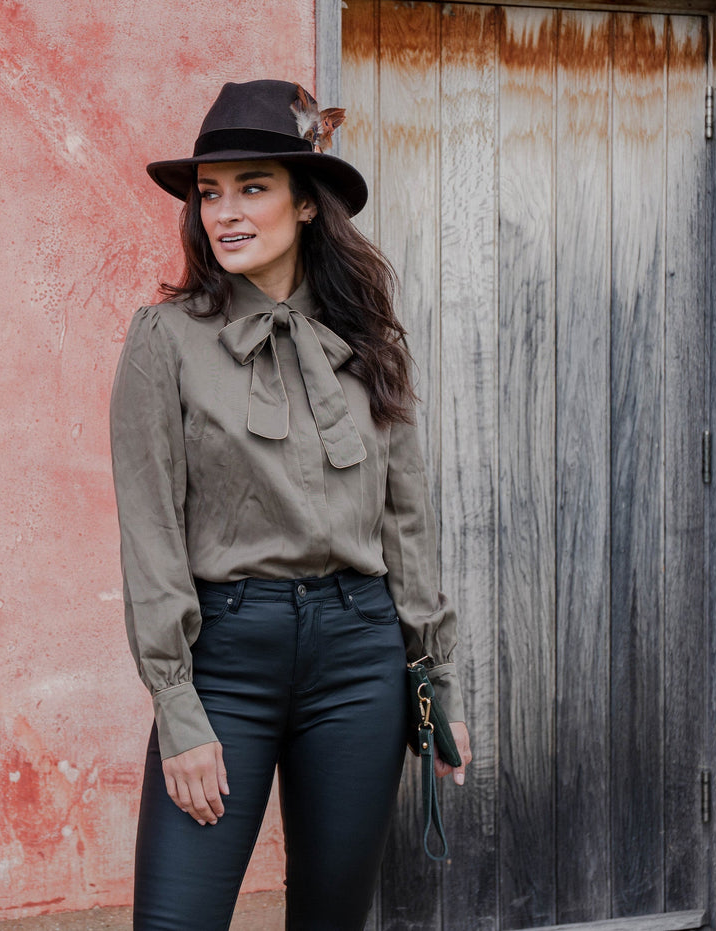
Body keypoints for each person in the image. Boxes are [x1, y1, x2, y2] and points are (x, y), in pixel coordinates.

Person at [108, 79, 474, 931]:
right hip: (226, 657)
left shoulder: (367, 343)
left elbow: (405, 522)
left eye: (252, 187)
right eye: (208, 194)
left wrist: (432, 684)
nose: (223, 212)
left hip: (358, 659)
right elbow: (150, 528)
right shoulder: (164, 340)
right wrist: (176, 705)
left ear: (307, 204)